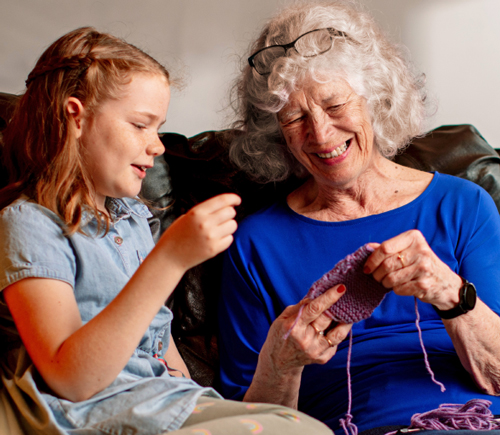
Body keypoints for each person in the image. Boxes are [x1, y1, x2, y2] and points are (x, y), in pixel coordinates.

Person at [0, 27, 333, 435]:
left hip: (158, 404)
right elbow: (73, 381)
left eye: (159, 128)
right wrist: (170, 259)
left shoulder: (134, 220)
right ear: (77, 117)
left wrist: (198, 397)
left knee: (300, 426)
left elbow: (160, 346)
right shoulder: (30, 224)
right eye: (141, 125)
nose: (157, 145)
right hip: (92, 414)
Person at [217, 1, 500, 433]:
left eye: (334, 106)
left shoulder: (463, 206)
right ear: (276, 132)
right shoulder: (257, 243)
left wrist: (450, 292)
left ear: (374, 97)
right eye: (295, 118)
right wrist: (282, 360)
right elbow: (244, 424)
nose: (321, 135)